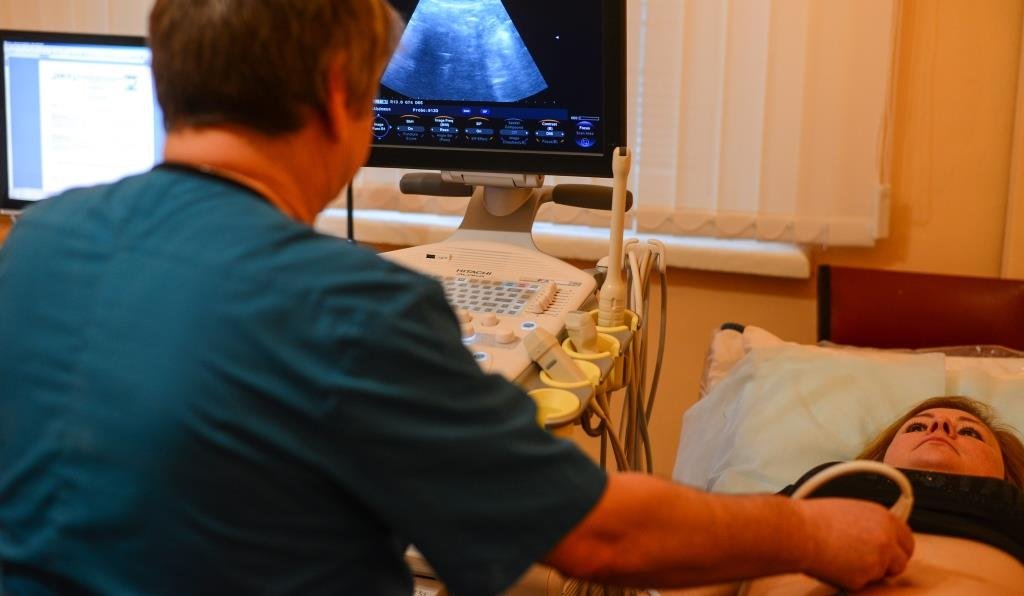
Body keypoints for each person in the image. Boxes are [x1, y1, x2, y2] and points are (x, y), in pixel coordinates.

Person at [0, 1, 912, 594]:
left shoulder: (38, 243)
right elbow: (601, 539)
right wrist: (811, 530)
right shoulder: (351, 307)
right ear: (339, 91)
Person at [668, 396, 1024, 595]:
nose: (939, 426)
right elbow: (709, 570)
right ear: (883, 456)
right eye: (916, 425)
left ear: (1006, 472)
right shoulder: (825, 483)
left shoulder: (1015, 505)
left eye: (970, 433)